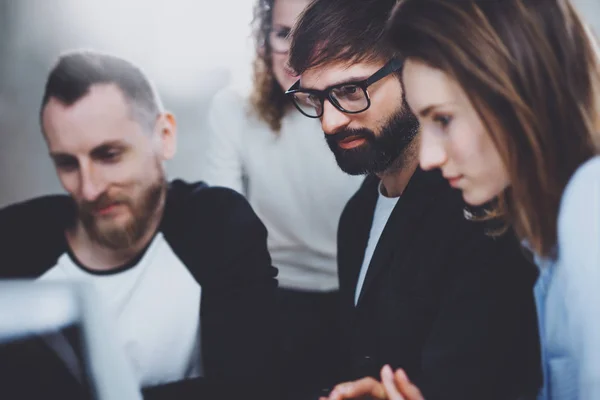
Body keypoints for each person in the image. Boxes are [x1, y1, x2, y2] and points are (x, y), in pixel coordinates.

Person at [284, 0, 543, 399]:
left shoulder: (479, 211)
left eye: (351, 91)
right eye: (315, 99)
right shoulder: (356, 215)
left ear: (412, 72)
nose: (329, 121)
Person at [0, 50, 279, 400]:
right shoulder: (12, 244)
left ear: (164, 136)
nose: (89, 189)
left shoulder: (217, 227)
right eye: (68, 163)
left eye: (109, 155)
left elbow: (253, 389)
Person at [384, 0, 600, 399]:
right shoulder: (546, 240)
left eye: (444, 120)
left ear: (517, 86)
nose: (429, 158)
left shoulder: (590, 204)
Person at [202, 0, 362, 396]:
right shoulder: (232, 109)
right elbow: (224, 222)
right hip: (275, 295)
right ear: (262, 40)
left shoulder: (367, 107)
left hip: (363, 294)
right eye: (282, 34)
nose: (295, 53)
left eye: (311, 30)